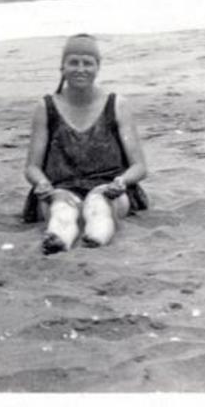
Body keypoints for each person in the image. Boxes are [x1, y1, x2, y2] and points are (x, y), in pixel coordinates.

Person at [24, 34, 148, 254]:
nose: (80, 69)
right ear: (62, 67)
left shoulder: (117, 105)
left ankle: (95, 240)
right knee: (63, 210)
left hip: (108, 188)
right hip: (61, 188)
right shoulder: (46, 107)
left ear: (97, 67)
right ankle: (58, 241)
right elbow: (32, 167)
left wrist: (121, 181)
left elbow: (139, 167)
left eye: (87, 63)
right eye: (73, 62)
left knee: (98, 204)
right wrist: (43, 184)